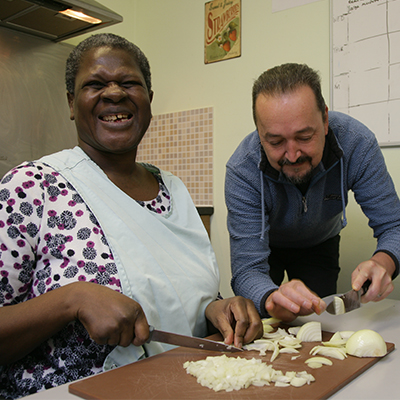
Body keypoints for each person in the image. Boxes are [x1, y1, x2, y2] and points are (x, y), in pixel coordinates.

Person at [0, 33, 262, 399]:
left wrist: (218, 308)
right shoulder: (33, 187)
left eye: (128, 83)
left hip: (181, 388)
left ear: (149, 100)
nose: (114, 94)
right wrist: (71, 300)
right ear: (71, 103)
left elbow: (182, 297)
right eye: (95, 84)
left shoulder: (173, 190)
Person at [225, 63, 400, 323]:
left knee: (321, 324)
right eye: (275, 142)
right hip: (265, 248)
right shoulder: (242, 169)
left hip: (320, 244)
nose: (293, 154)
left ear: (326, 120)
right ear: (259, 135)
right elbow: (247, 270)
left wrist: (384, 262)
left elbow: (394, 225)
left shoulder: (357, 144)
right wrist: (270, 298)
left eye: (305, 137)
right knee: (264, 321)